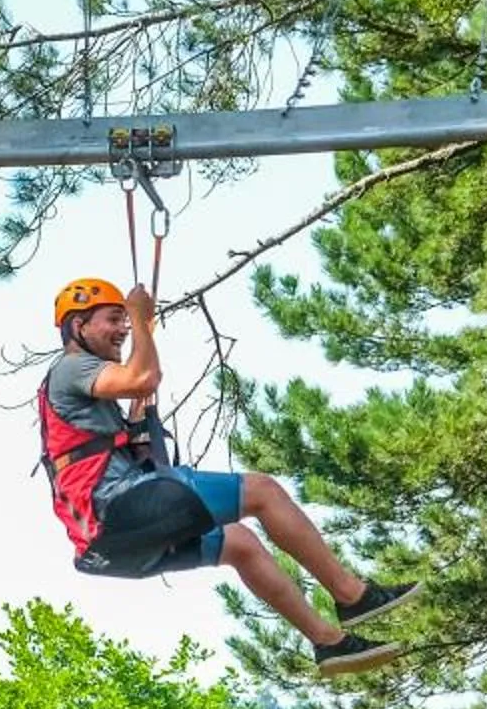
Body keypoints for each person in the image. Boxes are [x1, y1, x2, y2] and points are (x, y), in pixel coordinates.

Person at [36, 275, 416, 676]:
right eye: (113, 320)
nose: (122, 329)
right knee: (263, 491)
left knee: (240, 543)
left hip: (109, 546)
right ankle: (352, 595)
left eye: (124, 321)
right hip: (119, 508)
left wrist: (142, 356)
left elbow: (128, 407)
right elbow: (141, 379)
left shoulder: (80, 390)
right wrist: (141, 318)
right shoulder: (72, 367)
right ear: (79, 326)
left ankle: (329, 643)